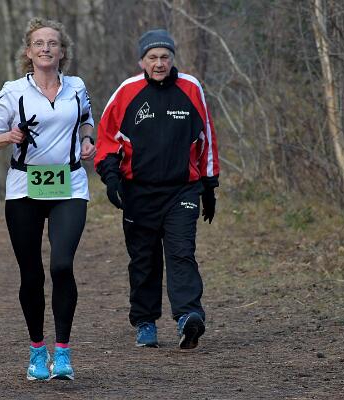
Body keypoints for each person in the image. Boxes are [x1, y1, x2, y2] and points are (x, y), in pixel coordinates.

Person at [0, 18, 95, 381]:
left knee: (61, 266)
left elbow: (87, 119)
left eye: (53, 43)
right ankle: (37, 351)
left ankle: (63, 354)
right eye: (39, 43)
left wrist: (87, 139)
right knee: (31, 274)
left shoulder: (76, 87)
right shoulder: (12, 92)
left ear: (62, 51)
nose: (46, 48)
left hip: (69, 186)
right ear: (28, 52)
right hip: (24, 189)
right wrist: (7, 137)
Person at [95, 29, 219, 350]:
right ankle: (145, 321)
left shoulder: (190, 88)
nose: (159, 63)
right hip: (138, 192)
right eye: (152, 58)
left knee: (182, 253)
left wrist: (209, 185)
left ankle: (188, 316)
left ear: (173, 59)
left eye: (165, 57)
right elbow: (106, 140)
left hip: (182, 190)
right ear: (142, 62)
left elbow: (206, 137)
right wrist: (111, 179)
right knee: (144, 259)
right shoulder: (127, 91)